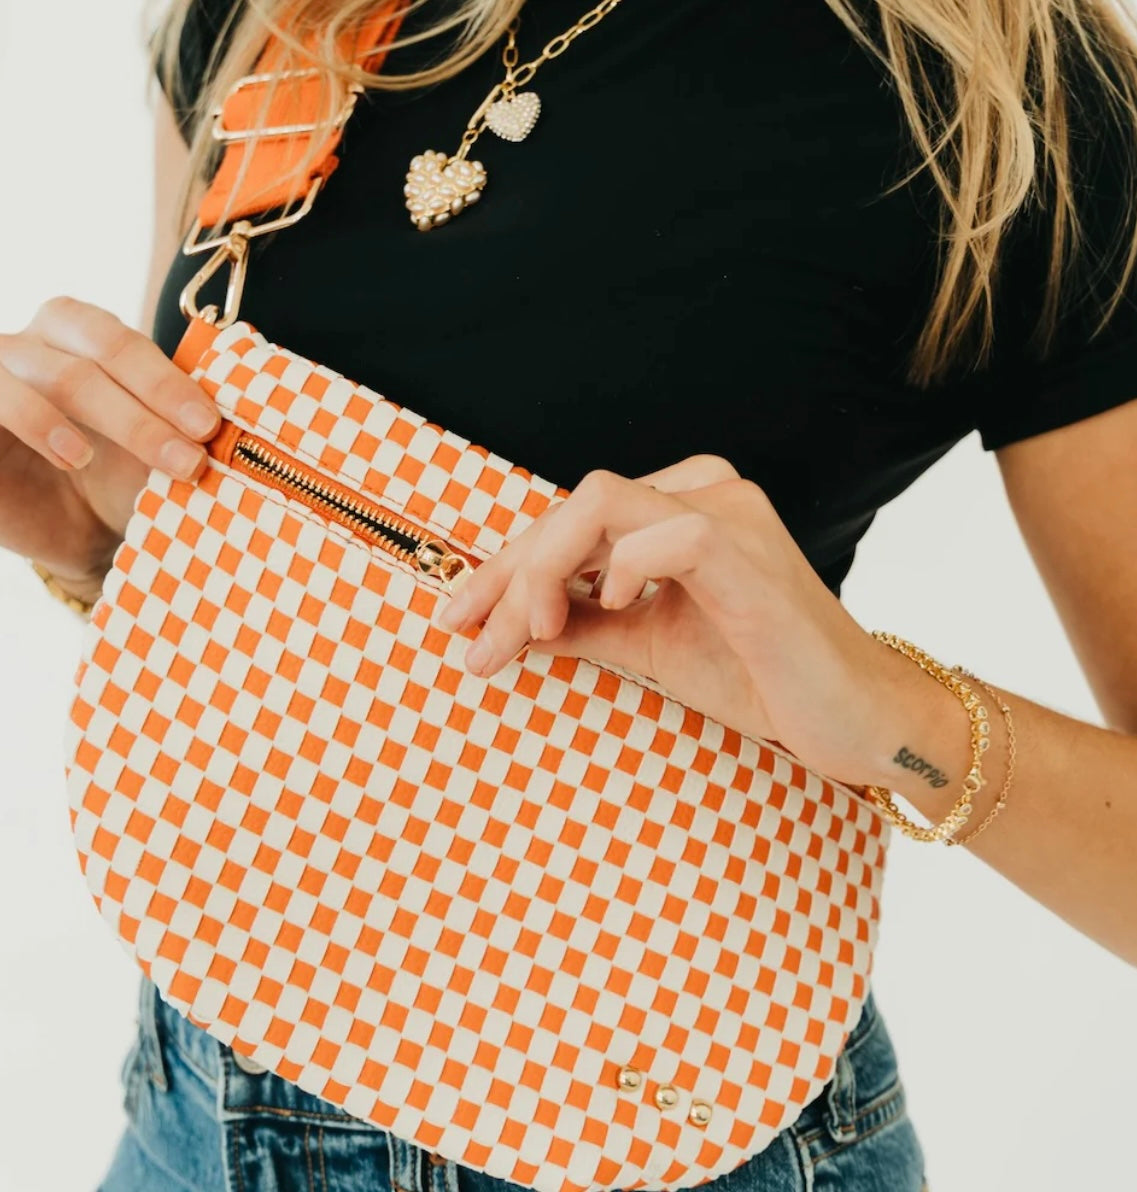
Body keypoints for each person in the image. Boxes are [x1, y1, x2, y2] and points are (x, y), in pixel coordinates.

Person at [2, 0, 1136, 1188]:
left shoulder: (1008, 91)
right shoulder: (274, 15)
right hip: (199, 1111)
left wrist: (891, 714)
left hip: (662, 1126)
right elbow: (250, 547)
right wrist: (82, 531)